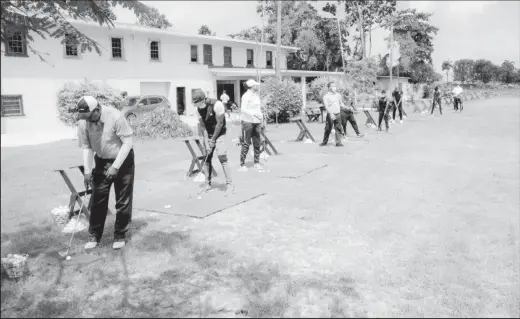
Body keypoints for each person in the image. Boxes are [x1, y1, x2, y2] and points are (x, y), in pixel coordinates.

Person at [73, 96, 135, 250]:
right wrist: (87, 170)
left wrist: (115, 166)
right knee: (97, 199)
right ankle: (94, 236)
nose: (86, 120)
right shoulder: (83, 122)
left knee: (123, 199)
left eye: (88, 117)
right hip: (101, 161)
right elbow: (86, 147)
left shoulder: (115, 116)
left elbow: (127, 143)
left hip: (123, 160)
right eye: (84, 117)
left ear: (96, 110)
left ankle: (120, 235)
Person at [192, 89, 235, 195]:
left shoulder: (217, 104)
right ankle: (208, 183)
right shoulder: (198, 109)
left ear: (202, 100)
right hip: (209, 133)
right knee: (207, 157)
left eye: (196, 103)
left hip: (220, 133)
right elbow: (202, 126)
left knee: (222, 156)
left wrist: (213, 140)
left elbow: (220, 124)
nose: (195, 105)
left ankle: (230, 185)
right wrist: (207, 142)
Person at [239, 79, 264, 171]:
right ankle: (242, 164)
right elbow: (243, 109)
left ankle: (256, 162)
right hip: (248, 122)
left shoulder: (256, 96)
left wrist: (261, 116)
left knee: (257, 142)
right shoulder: (245, 96)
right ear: (252, 86)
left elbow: (258, 108)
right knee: (246, 143)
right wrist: (253, 114)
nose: (256, 86)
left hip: (257, 122)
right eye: (255, 85)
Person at [320, 82, 344, 147]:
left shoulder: (338, 95)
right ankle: (324, 142)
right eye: (333, 86)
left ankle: (338, 143)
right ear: (329, 88)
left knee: (338, 128)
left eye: (335, 86)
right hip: (331, 115)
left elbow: (341, 103)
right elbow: (326, 106)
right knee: (328, 129)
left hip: (338, 114)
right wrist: (331, 114)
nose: (334, 87)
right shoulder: (326, 96)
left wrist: (346, 107)